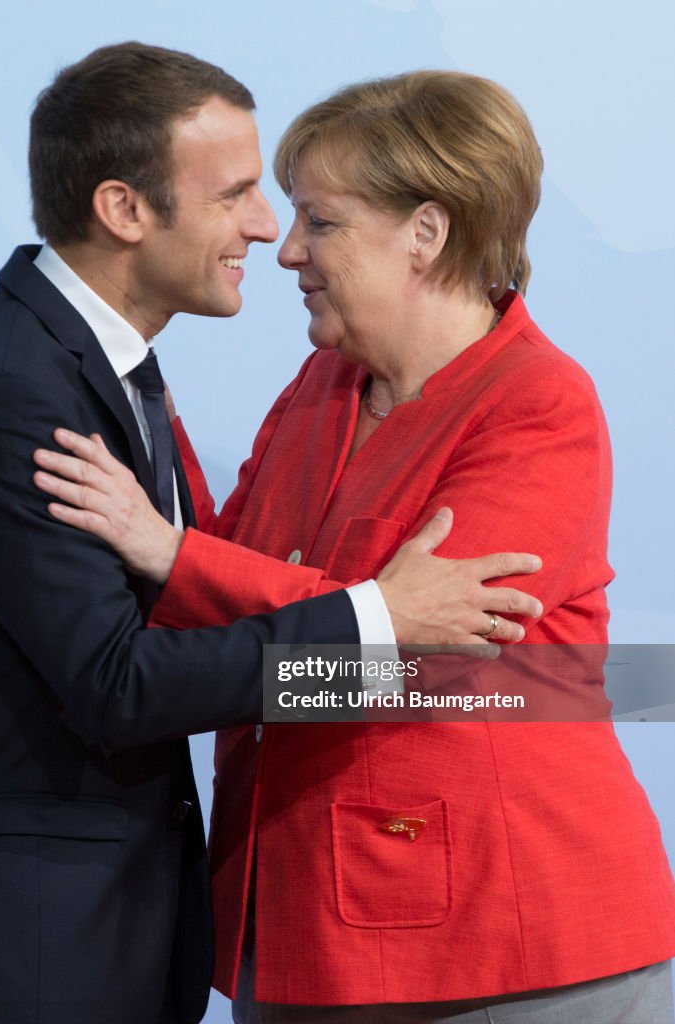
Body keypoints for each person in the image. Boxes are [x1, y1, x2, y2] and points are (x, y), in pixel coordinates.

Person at [0, 46, 544, 1024]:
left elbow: (215, 600)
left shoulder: (114, 375)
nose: (268, 230)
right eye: (237, 195)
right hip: (4, 950)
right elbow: (120, 683)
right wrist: (377, 620)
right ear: (126, 211)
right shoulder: (14, 394)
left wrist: (370, 635)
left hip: (103, 931)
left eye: (300, 210)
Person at [34, 71, 675, 1021]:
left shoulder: (539, 405)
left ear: (426, 231)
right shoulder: (319, 386)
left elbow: (425, 664)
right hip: (306, 921)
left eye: (319, 222)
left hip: (507, 941)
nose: (286, 249)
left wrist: (176, 557)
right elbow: (254, 606)